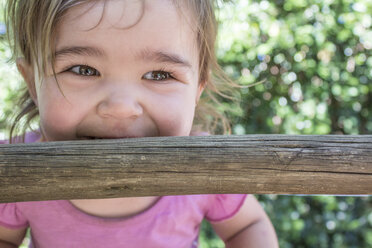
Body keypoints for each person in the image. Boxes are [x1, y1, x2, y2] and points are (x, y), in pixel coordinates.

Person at [0, 0, 278, 247]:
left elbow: (247, 226)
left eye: (159, 74)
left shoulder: (206, 166)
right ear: (32, 83)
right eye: (83, 70)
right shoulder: (15, 168)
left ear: (197, 89)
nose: (121, 108)